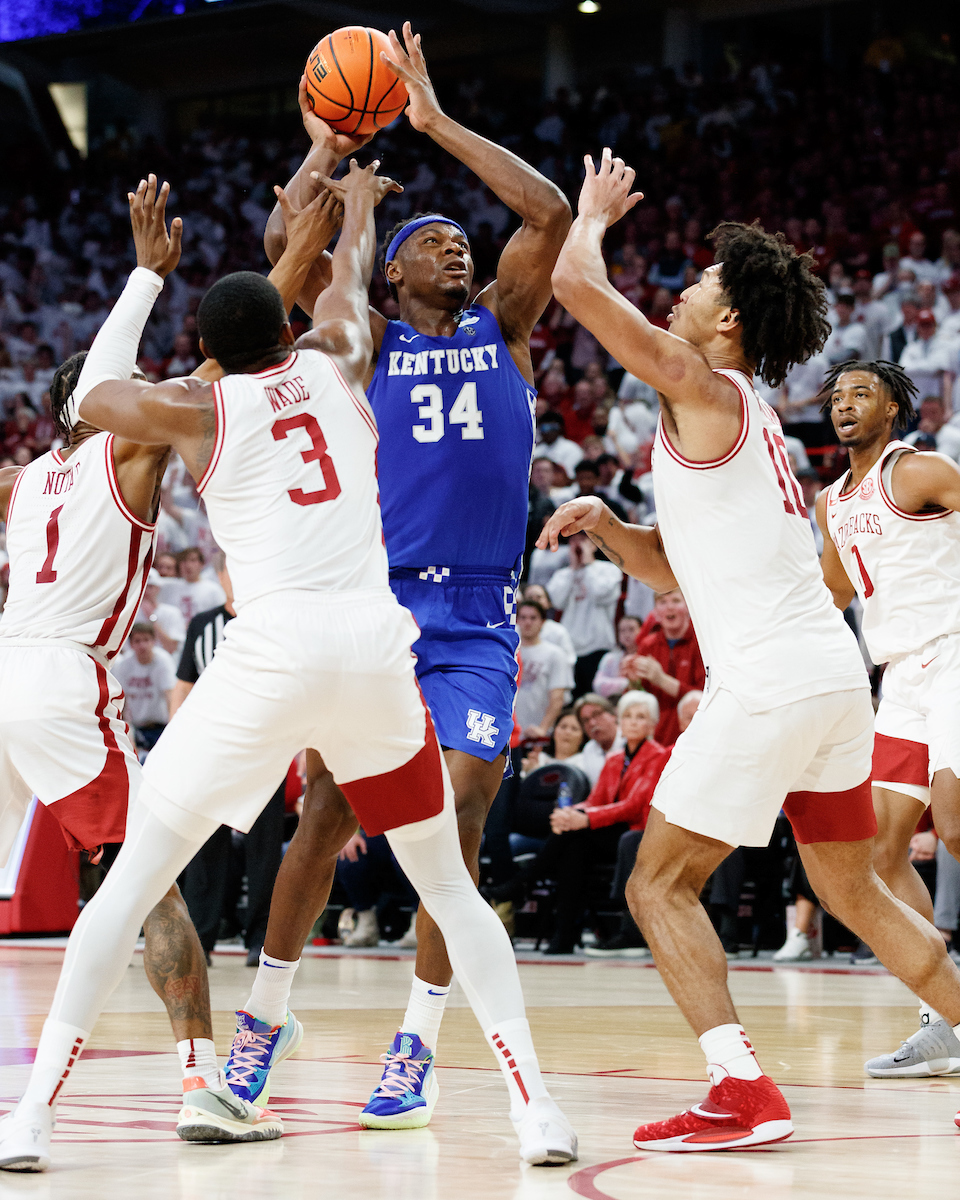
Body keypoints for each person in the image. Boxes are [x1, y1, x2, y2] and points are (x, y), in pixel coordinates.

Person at [0, 163, 576, 1172]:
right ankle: (537, 1114)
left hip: (267, 660)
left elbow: (92, 392)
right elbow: (344, 282)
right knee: (449, 887)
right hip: (371, 656)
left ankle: (31, 1116)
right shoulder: (344, 356)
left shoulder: (193, 409)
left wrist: (146, 275)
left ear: (210, 355)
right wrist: (352, 212)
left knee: (132, 884)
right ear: (288, 328)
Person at [540, 146, 960, 1151]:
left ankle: (741, 1090)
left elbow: (570, 284)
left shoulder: (704, 385)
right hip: (827, 679)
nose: (681, 292)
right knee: (850, 884)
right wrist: (608, 523)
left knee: (657, 882)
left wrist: (591, 216)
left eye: (698, 285)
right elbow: (672, 570)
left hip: (772, 678)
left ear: (727, 321)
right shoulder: (748, 418)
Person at [243, 22, 574, 1134]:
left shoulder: (509, 328)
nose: (453, 250)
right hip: (384, 605)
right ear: (391, 269)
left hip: (477, 610)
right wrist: (327, 156)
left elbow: (549, 214)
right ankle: (267, 1015)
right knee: (329, 810)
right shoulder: (369, 340)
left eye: (455, 244)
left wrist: (433, 122)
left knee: (465, 808)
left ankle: (419, 1042)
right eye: (430, 241)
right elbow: (287, 253)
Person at [0, 174, 324, 1162]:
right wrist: (284, 265)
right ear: (101, 407)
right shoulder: (126, 454)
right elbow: (229, 360)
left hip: (11, 671)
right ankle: (191, 1087)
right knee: (154, 886)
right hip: (64, 681)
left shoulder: (22, 478)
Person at [818, 359, 960, 1077]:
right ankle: (945, 1021)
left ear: (893, 408)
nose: (845, 404)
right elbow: (832, 586)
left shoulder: (922, 471)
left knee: (957, 826)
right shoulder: (831, 503)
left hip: (956, 651)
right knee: (878, 854)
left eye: (861, 393)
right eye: (837, 395)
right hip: (899, 676)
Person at [174, 556, 287, 969]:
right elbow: (182, 688)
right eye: (230, 570)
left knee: (264, 853)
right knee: (205, 850)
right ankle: (202, 938)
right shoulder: (202, 624)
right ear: (220, 576)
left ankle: (261, 941)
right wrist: (180, 744)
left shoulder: (273, 619)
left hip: (265, 750)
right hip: (210, 752)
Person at [490, 691, 668, 954]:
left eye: (640, 717)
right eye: (627, 716)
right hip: (610, 831)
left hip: (636, 831)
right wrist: (572, 813)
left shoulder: (658, 755)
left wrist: (584, 819)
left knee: (574, 836)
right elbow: (595, 800)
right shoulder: (616, 758)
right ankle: (564, 935)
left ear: (652, 724)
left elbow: (634, 806)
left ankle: (523, 886)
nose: (632, 722)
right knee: (573, 846)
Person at [621, 589, 705, 747]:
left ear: (688, 606)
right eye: (662, 602)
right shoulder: (648, 644)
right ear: (656, 612)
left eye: (675, 601)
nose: (669, 607)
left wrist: (661, 680)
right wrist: (634, 681)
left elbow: (704, 697)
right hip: (656, 737)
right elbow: (640, 697)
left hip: (692, 735)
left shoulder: (701, 642)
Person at [548, 531, 623, 697]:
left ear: (594, 544)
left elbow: (600, 593)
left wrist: (588, 564)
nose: (577, 545)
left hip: (598, 645)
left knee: (594, 699)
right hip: (570, 647)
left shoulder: (609, 570)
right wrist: (574, 569)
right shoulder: (563, 574)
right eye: (573, 541)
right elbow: (557, 601)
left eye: (582, 540)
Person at [112, 623, 177, 755]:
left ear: (153, 641)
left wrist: (173, 728)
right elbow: (120, 699)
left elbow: (170, 695)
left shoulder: (163, 661)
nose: (142, 645)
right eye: (137, 641)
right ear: (131, 644)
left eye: (146, 640)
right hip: (137, 727)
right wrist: (122, 728)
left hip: (161, 725)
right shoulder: (124, 665)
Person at [515, 599, 573, 741]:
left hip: (536, 734)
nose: (528, 622)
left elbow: (557, 698)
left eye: (533, 618)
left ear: (543, 622)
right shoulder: (508, 652)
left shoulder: (555, 654)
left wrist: (543, 729)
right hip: (509, 733)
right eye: (523, 617)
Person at [135, 566, 186, 658]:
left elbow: (172, 647)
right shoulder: (130, 615)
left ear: (158, 589)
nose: (146, 591)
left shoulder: (172, 612)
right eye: (143, 587)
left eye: (150, 587)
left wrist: (151, 618)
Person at [574, 692, 624, 786]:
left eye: (596, 714)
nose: (592, 723)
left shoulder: (629, 740)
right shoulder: (589, 749)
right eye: (586, 720)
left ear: (613, 715)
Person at [592, 614, 642, 698]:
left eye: (631, 629)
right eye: (622, 630)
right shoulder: (610, 658)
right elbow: (598, 685)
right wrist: (627, 684)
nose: (626, 634)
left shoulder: (647, 657)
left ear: (642, 630)